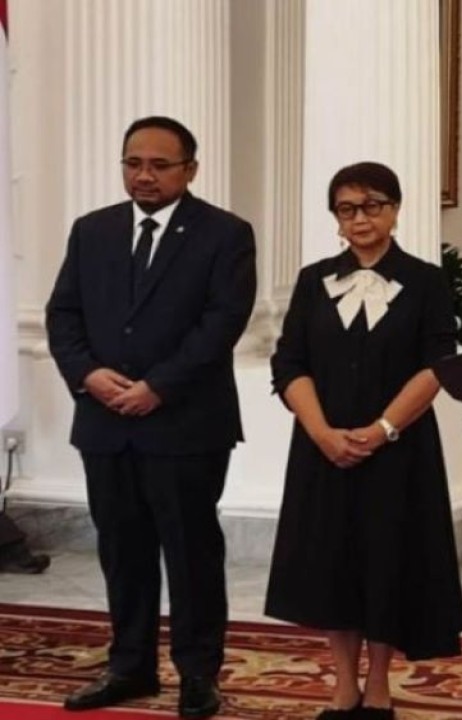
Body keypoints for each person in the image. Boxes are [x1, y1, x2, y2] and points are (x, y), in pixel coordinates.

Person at [45, 116, 256, 718]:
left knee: (190, 551)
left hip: (184, 424)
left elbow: (221, 324)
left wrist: (158, 387)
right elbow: (63, 316)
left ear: (190, 169)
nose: (144, 175)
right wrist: (87, 374)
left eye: (159, 165)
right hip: (105, 422)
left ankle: (197, 675)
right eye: (133, 163)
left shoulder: (225, 234)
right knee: (122, 548)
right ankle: (129, 667)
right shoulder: (92, 232)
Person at [265, 162, 462, 720]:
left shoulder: (426, 280)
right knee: (333, 562)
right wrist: (322, 433)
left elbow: (439, 362)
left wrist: (382, 430)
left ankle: (378, 685)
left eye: (373, 205)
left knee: (386, 562)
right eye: (347, 208)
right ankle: (343, 685)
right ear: (336, 218)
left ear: (396, 210)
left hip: (398, 452)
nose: (360, 218)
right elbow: (290, 363)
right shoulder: (313, 280)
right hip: (324, 450)